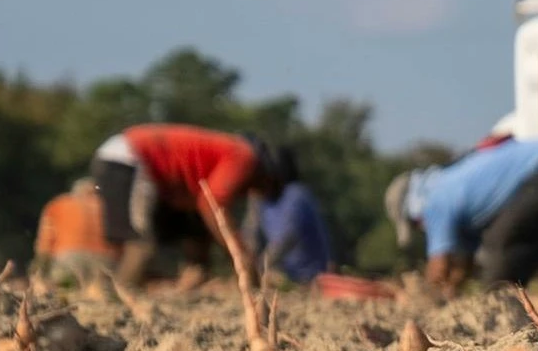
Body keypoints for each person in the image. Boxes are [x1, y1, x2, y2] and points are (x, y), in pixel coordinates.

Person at [87, 123, 289, 291]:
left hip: (135, 165)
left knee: (194, 233)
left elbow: (200, 208)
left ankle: (182, 286)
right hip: (130, 159)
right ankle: (118, 300)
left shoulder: (226, 157)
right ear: (268, 176)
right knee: (140, 246)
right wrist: (241, 255)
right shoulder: (244, 156)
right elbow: (212, 204)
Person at [400, 135, 538, 291]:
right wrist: (454, 287)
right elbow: (464, 263)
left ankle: (498, 312)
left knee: (501, 243)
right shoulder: (452, 183)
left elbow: (440, 265)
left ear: (415, 216)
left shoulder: (433, 201)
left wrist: (425, 296)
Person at [256, 176, 339, 286]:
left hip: (311, 276)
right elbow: (250, 231)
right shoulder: (262, 202)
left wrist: (261, 263)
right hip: (287, 274)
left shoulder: (296, 194)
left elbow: (288, 237)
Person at [34, 181, 114, 289]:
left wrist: (40, 268)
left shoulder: (59, 204)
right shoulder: (108, 205)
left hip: (68, 257)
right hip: (103, 260)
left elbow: (45, 241)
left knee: (64, 291)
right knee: (99, 293)